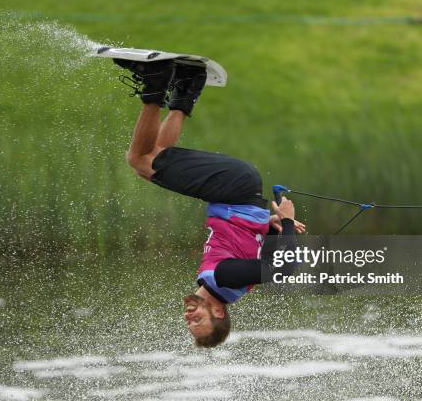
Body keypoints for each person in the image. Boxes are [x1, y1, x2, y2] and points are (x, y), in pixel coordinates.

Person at [113, 58, 305, 347]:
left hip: (236, 191)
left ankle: (187, 85)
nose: (189, 320)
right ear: (217, 311)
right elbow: (284, 267)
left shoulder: (226, 285)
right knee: (139, 159)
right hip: (233, 187)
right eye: (198, 322)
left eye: (191, 326)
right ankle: (156, 80)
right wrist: (287, 219)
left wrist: (270, 226)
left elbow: (248, 243)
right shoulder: (223, 279)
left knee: (154, 159)